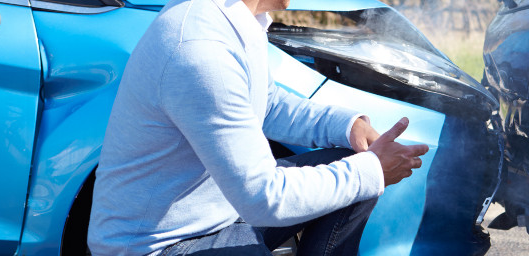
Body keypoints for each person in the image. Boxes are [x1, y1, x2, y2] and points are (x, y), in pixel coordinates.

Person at [86, 0, 430, 254]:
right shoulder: (200, 50)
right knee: (361, 174)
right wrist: (371, 170)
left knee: (353, 166)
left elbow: (264, 104)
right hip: (160, 246)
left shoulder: (233, 19)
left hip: (217, 215)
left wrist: (347, 126)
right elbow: (262, 198)